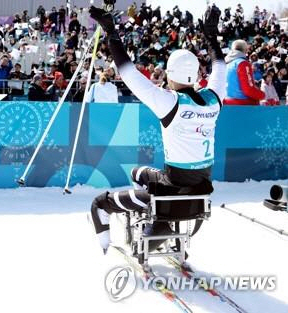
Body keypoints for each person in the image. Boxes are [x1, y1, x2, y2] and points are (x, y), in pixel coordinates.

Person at [88, 5, 226, 254]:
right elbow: (220, 67)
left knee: (100, 203)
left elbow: (128, 73)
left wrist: (111, 31)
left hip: (170, 190)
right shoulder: (214, 99)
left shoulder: (169, 101)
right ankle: (159, 225)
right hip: (199, 191)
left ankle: (144, 229)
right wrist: (211, 35)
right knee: (139, 172)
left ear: (170, 74)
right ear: (195, 76)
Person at [224, 40, 265, 105]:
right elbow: (248, 90)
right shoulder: (242, 63)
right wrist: (263, 95)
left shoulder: (226, 64)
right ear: (245, 50)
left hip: (227, 103)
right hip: (242, 105)